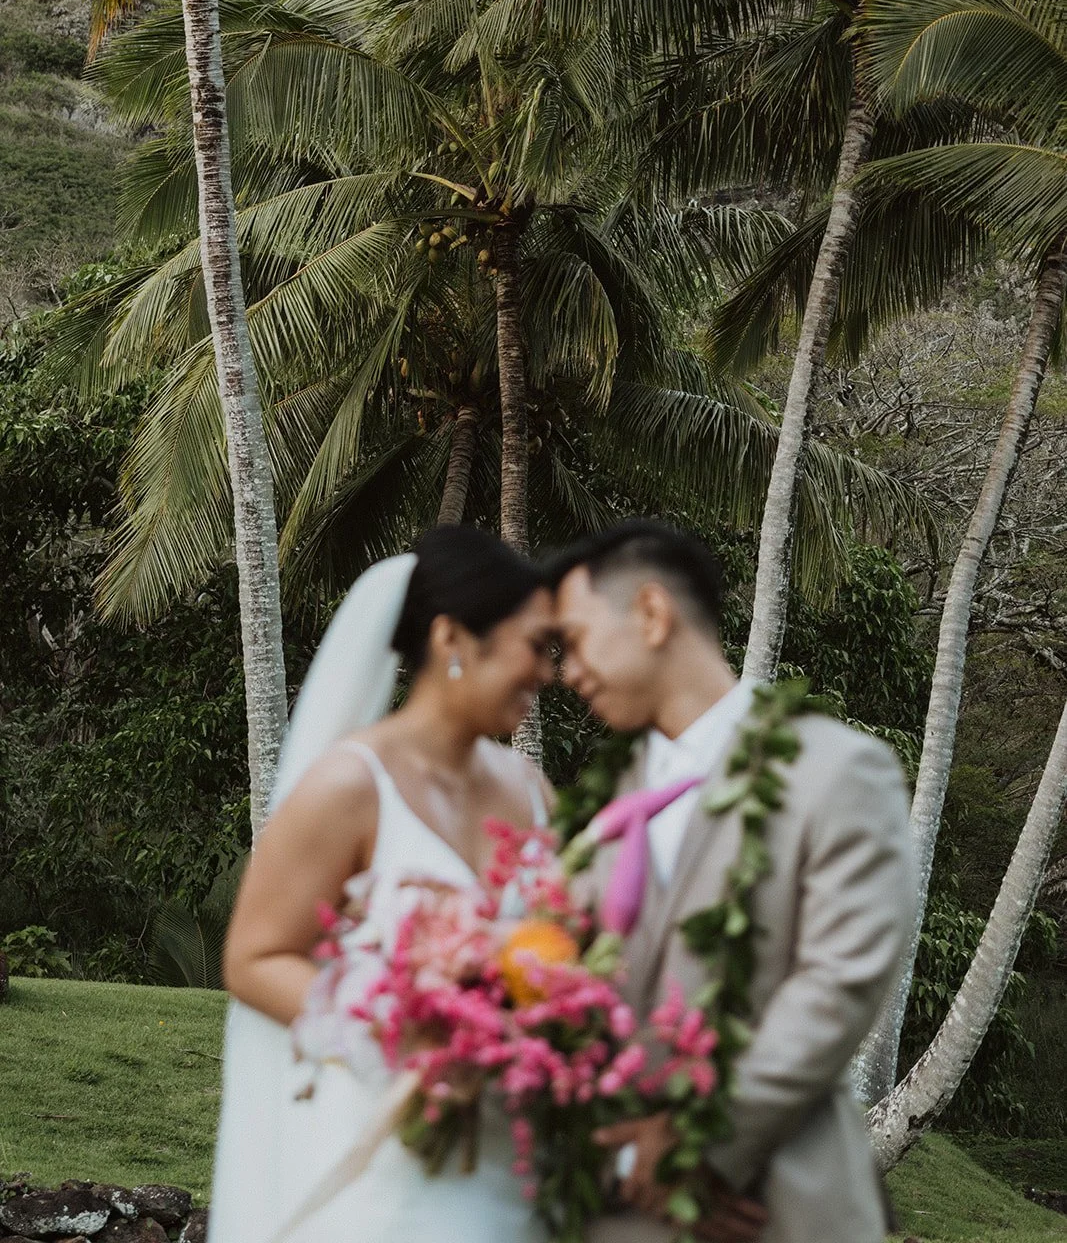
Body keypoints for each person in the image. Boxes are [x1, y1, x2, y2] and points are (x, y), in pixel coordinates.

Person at [550, 520, 915, 1243]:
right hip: (614, 1208)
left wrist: (698, 1148)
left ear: (651, 614)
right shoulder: (606, 797)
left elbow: (838, 981)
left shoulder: (837, 770)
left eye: (577, 639)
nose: (569, 672)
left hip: (772, 1206)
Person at [210, 525, 556, 1243]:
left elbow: (556, 941)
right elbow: (254, 958)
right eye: (533, 646)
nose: (546, 672)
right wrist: (398, 1027)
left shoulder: (531, 789)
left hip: (505, 1146)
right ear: (452, 638)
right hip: (382, 1145)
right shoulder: (348, 784)